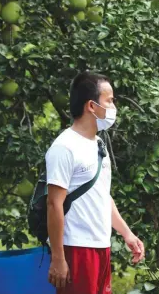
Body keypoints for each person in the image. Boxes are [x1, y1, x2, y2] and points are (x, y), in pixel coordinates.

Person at [46, 71, 145, 294]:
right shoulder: (64, 147)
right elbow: (54, 204)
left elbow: (102, 195)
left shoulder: (98, 144)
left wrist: (126, 233)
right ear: (92, 106)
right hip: (77, 248)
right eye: (109, 101)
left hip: (101, 245)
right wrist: (58, 258)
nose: (113, 107)